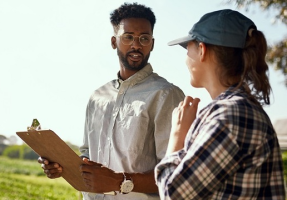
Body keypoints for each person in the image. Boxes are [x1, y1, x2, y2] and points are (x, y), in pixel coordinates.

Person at [38, 3, 184, 200]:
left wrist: (120, 181)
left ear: (152, 43)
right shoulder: (97, 97)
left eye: (144, 38)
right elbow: (87, 155)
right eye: (128, 37)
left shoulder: (166, 95)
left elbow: (176, 174)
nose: (136, 45)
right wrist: (62, 166)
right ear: (114, 41)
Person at [155, 9, 286, 199]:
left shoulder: (229, 116)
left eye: (188, 48)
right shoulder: (238, 111)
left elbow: (172, 195)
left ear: (202, 50)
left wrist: (177, 136)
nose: (185, 58)